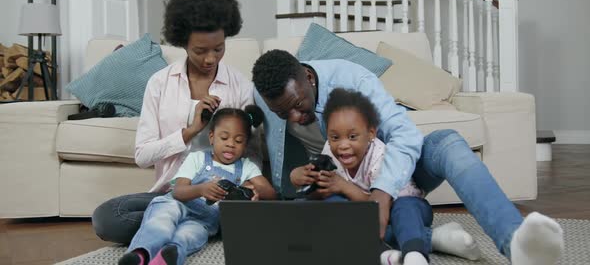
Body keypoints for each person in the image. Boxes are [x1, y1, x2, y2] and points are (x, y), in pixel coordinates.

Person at [251, 49, 564, 265]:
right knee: (311, 229)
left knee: (449, 142)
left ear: (308, 76)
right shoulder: (265, 95)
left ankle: (516, 244)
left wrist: (383, 192)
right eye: (283, 113)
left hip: (396, 176)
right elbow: (282, 160)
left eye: (299, 105)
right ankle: (433, 239)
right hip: (341, 188)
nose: (293, 117)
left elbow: (405, 134)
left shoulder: (353, 81)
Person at [92, 0, 260, 244]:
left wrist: (251, 187)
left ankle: (174, 226)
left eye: (219, 48)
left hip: (221, 196)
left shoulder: (239, 85)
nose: (210, 59)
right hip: (172, 193)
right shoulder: (160, 83)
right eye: (200, 51)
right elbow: (142, 156)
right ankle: (198, 225)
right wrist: (189, 132)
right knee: (107, 217)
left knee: (244, 212)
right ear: (182, 42)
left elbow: (251, 153)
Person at [290, 88, 481, 265]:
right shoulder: (329, 153)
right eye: (334, 137)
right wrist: (303, 178)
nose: (342, 145)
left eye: (352, 137)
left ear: (371, 133)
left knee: (403, 208)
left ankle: (415, 254)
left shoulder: (380, 156)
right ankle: (386, 253)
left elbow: (380, 206)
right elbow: (323, 196)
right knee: (333, 204)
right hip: (366, 217)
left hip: (405, 208)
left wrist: (344, 186)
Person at [118, 106, 276, 265]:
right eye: (224, 138)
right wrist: (201, 189)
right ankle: (140, 254)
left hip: (204, 220)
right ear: (212, 137)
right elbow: (178, 191)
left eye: (238, 140)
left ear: (246, 144)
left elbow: (271, 194)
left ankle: (167, 257)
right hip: (177, 204)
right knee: (162, 221)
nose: (231, 144)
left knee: (189, 236)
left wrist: (255, 190)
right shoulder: (197, 158)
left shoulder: (247, 167)